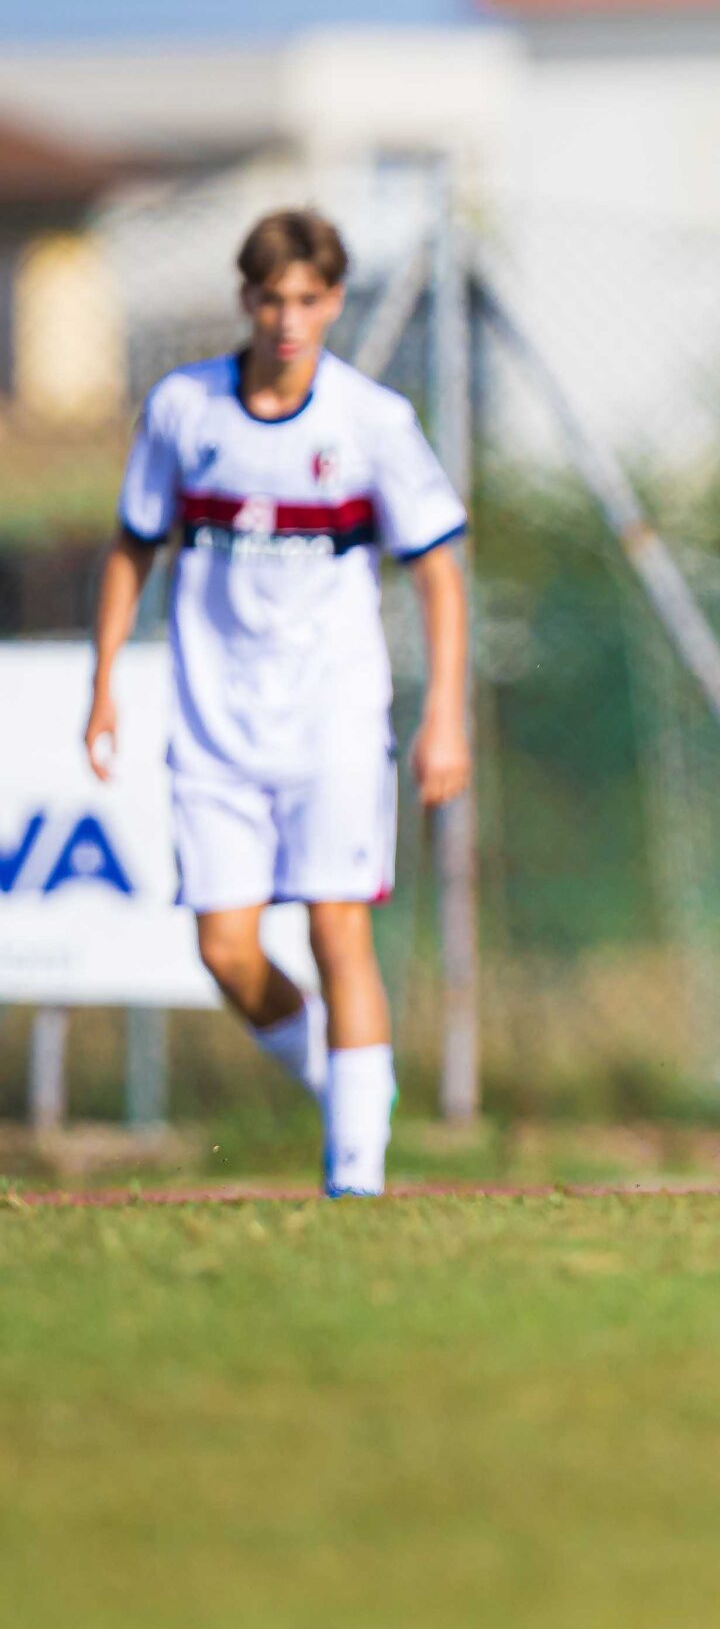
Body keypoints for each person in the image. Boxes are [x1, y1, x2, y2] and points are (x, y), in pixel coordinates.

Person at [84, 208, 471, 1198]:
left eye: (308, 299)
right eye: (272, 298)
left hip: (335, 720)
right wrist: (103, 683)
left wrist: (445, 713)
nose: (289, 319)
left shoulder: (371, 421)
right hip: (215, 725)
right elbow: (135, 544)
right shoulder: (184, 409)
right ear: (246, 300)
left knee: (339, 927)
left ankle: (357, 1176)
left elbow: (437, 571)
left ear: (334, 301)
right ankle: (345, 1081)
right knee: (224, 947)